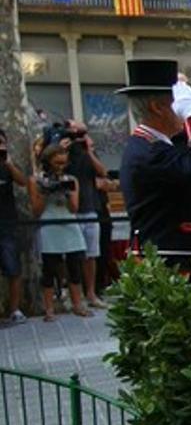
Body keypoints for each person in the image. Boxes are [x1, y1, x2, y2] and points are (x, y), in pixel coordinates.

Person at [118, 59, 191, 268]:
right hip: (167, 262)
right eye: (177, 101)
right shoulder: (148, 152)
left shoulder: (157, 144)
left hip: (174, 255)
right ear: (157, 107)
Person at [30, 145, 90, 320]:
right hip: (49, 225)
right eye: (56, 163)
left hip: (69, 224)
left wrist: (66, 192)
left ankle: (77, 304)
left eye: (63, 163)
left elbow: (74, 208)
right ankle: (49, 309)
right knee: (49, 268)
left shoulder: (71, 180)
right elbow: (36, 211)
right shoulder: (36, 180)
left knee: (74, 267)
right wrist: (46, 192)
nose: (60, 167)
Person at [63, 122, 109, 309]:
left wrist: (88, 149)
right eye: (74, 134)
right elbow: (50, 168)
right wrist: (62, 148)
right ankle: (74, 295)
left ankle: (91, 293)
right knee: (71, 256)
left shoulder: (87, 154)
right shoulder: (63, 153)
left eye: (81, 133)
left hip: (90, 209)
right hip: (69, 212)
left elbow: (103, 172)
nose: (78, 137)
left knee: (91, 255)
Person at [0, 131, 29, 324]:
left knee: (13, 268)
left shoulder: (7, 165)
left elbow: (23, 182)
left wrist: (8, 163)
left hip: (7, 224)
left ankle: (15, 309)